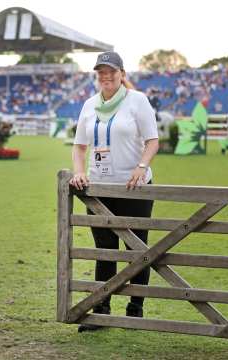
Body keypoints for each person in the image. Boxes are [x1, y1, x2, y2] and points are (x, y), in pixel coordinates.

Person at [69, 51, 159, 332]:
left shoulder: (137, 101)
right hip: (100, 188)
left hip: (134, 188)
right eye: (101, 73)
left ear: (122, 73)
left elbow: (152, 140)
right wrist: (79, 172)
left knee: (137, 249)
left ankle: (135, 309)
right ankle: (102, 310)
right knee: (105, 250)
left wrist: (142, 166)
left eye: (111, 71)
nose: (106, 77)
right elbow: (79, 146)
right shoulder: (89, 104)